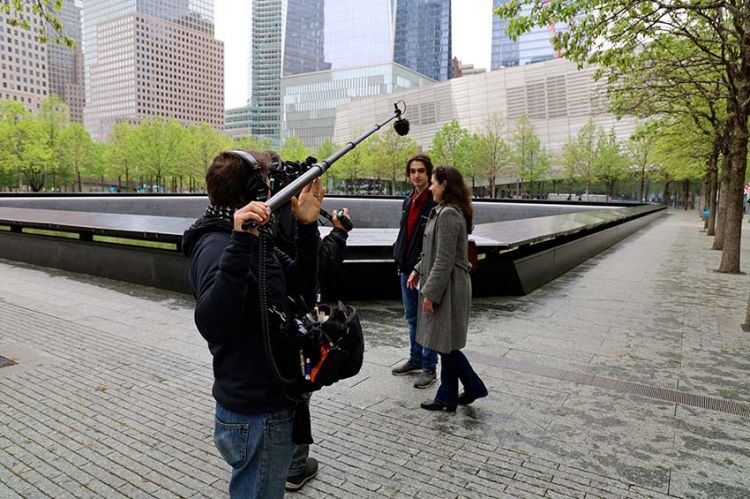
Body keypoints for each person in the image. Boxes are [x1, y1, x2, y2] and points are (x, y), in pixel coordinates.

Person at [182, 150, 323, 498]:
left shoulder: (256, 241)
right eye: (265, 183)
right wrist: (241, 241)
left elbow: (301, 286)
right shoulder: (217, 245)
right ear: (255, 192)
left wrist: (307, 227)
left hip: (270, 401)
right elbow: (213, 323)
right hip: (255, 413)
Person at [264, 152, 353, 491]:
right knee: (300, 389)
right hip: (296, 321)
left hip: (272, 319)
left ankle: (281, 459)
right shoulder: (297, 217)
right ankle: (296, 466)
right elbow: (316, 267)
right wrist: (339, 234)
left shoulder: (264, 214)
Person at [407, 165, 488, 412]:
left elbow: (444, 258)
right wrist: (418, 269)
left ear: (444, 185)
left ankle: (473, 386)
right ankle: (448, 397)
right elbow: (433, 252)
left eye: (433, 182)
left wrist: (430, 293)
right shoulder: (443, 211)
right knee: (445, 343)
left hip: (449, 287)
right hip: (446, 283)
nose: (430, 187)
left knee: (446, 344)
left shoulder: (450, 215)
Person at [392, 154, 438, 388]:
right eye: (413, 171)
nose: (417, 175)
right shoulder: (408, 199)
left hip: (425, 270)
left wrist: (421, 267)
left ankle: (430, 367)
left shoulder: (434, 202)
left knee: (427, 319)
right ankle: (416, 358)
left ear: (428, 173)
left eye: (421, 171)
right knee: (412, 318)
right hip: (405, 268)